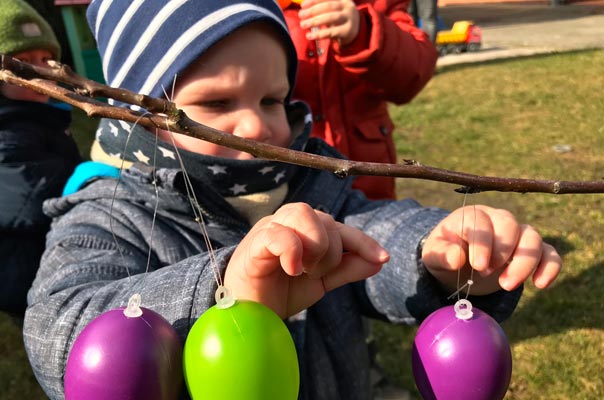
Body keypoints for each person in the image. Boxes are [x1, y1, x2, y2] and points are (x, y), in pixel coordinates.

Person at [22, 1, 561, 399]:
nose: (256, 124)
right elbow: (56, 333)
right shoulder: (108, 211)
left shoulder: (304, 186)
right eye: (214, 102)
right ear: (140, 115)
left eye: (273, 98)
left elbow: (375, 235)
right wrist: (222, 291)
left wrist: (437, 257)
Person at [280, 0, 438, 200]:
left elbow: (415, 72)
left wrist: (365, 31)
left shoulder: (376, 4)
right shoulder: (263, 7)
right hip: (289, 183)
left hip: (366, 184)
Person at [0, 0, 81, 317]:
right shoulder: (6, 130)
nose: (38, 70)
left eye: (46, 58)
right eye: (22, 62)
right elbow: (25, 193)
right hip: (21, 270)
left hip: (48, 255)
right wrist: (81, 178)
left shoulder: (46, 117)